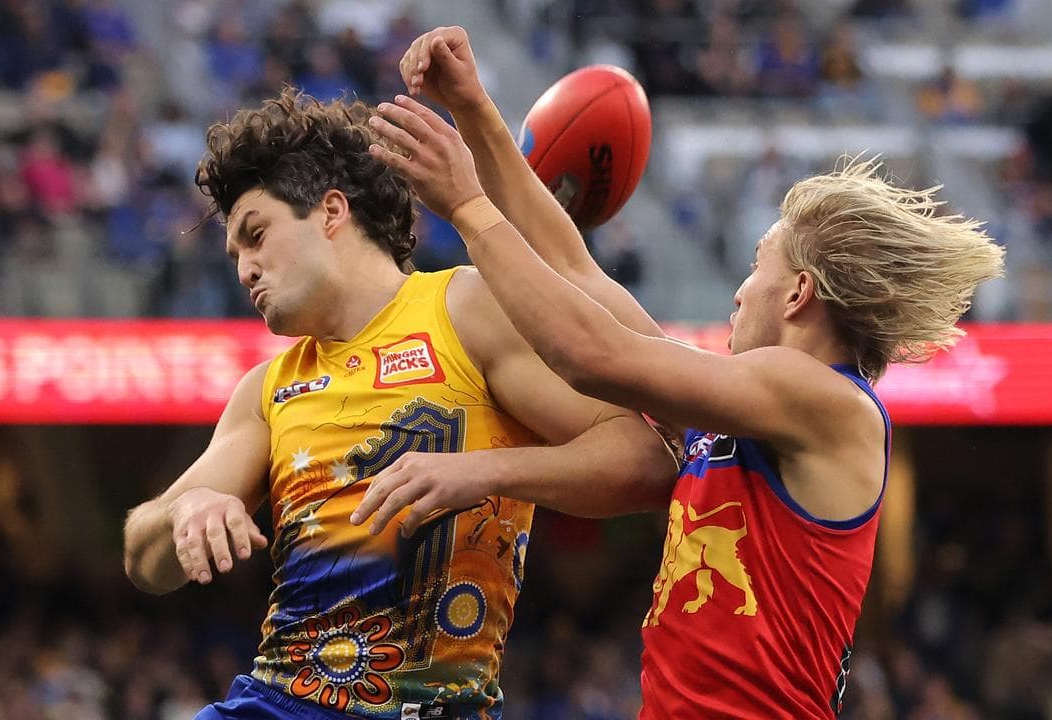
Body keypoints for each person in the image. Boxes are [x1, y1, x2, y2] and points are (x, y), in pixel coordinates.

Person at [364, 27, 1004, 719]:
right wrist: (476, 109)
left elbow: (591, 354)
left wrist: (467, 207)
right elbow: (577, 271)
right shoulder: (749, 401)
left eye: (757, 268)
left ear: (798, 295)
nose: (738, 291)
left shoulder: (825, 399)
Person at [122, 87, 677, 720]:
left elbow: (647, 458)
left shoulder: (466, 310)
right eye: (236, 254)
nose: (245, 268)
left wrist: (485, 470)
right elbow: (143, 556)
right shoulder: (268, 388)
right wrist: (188, 506)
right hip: (282, 704)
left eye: (256, 235)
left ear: (332, 211)